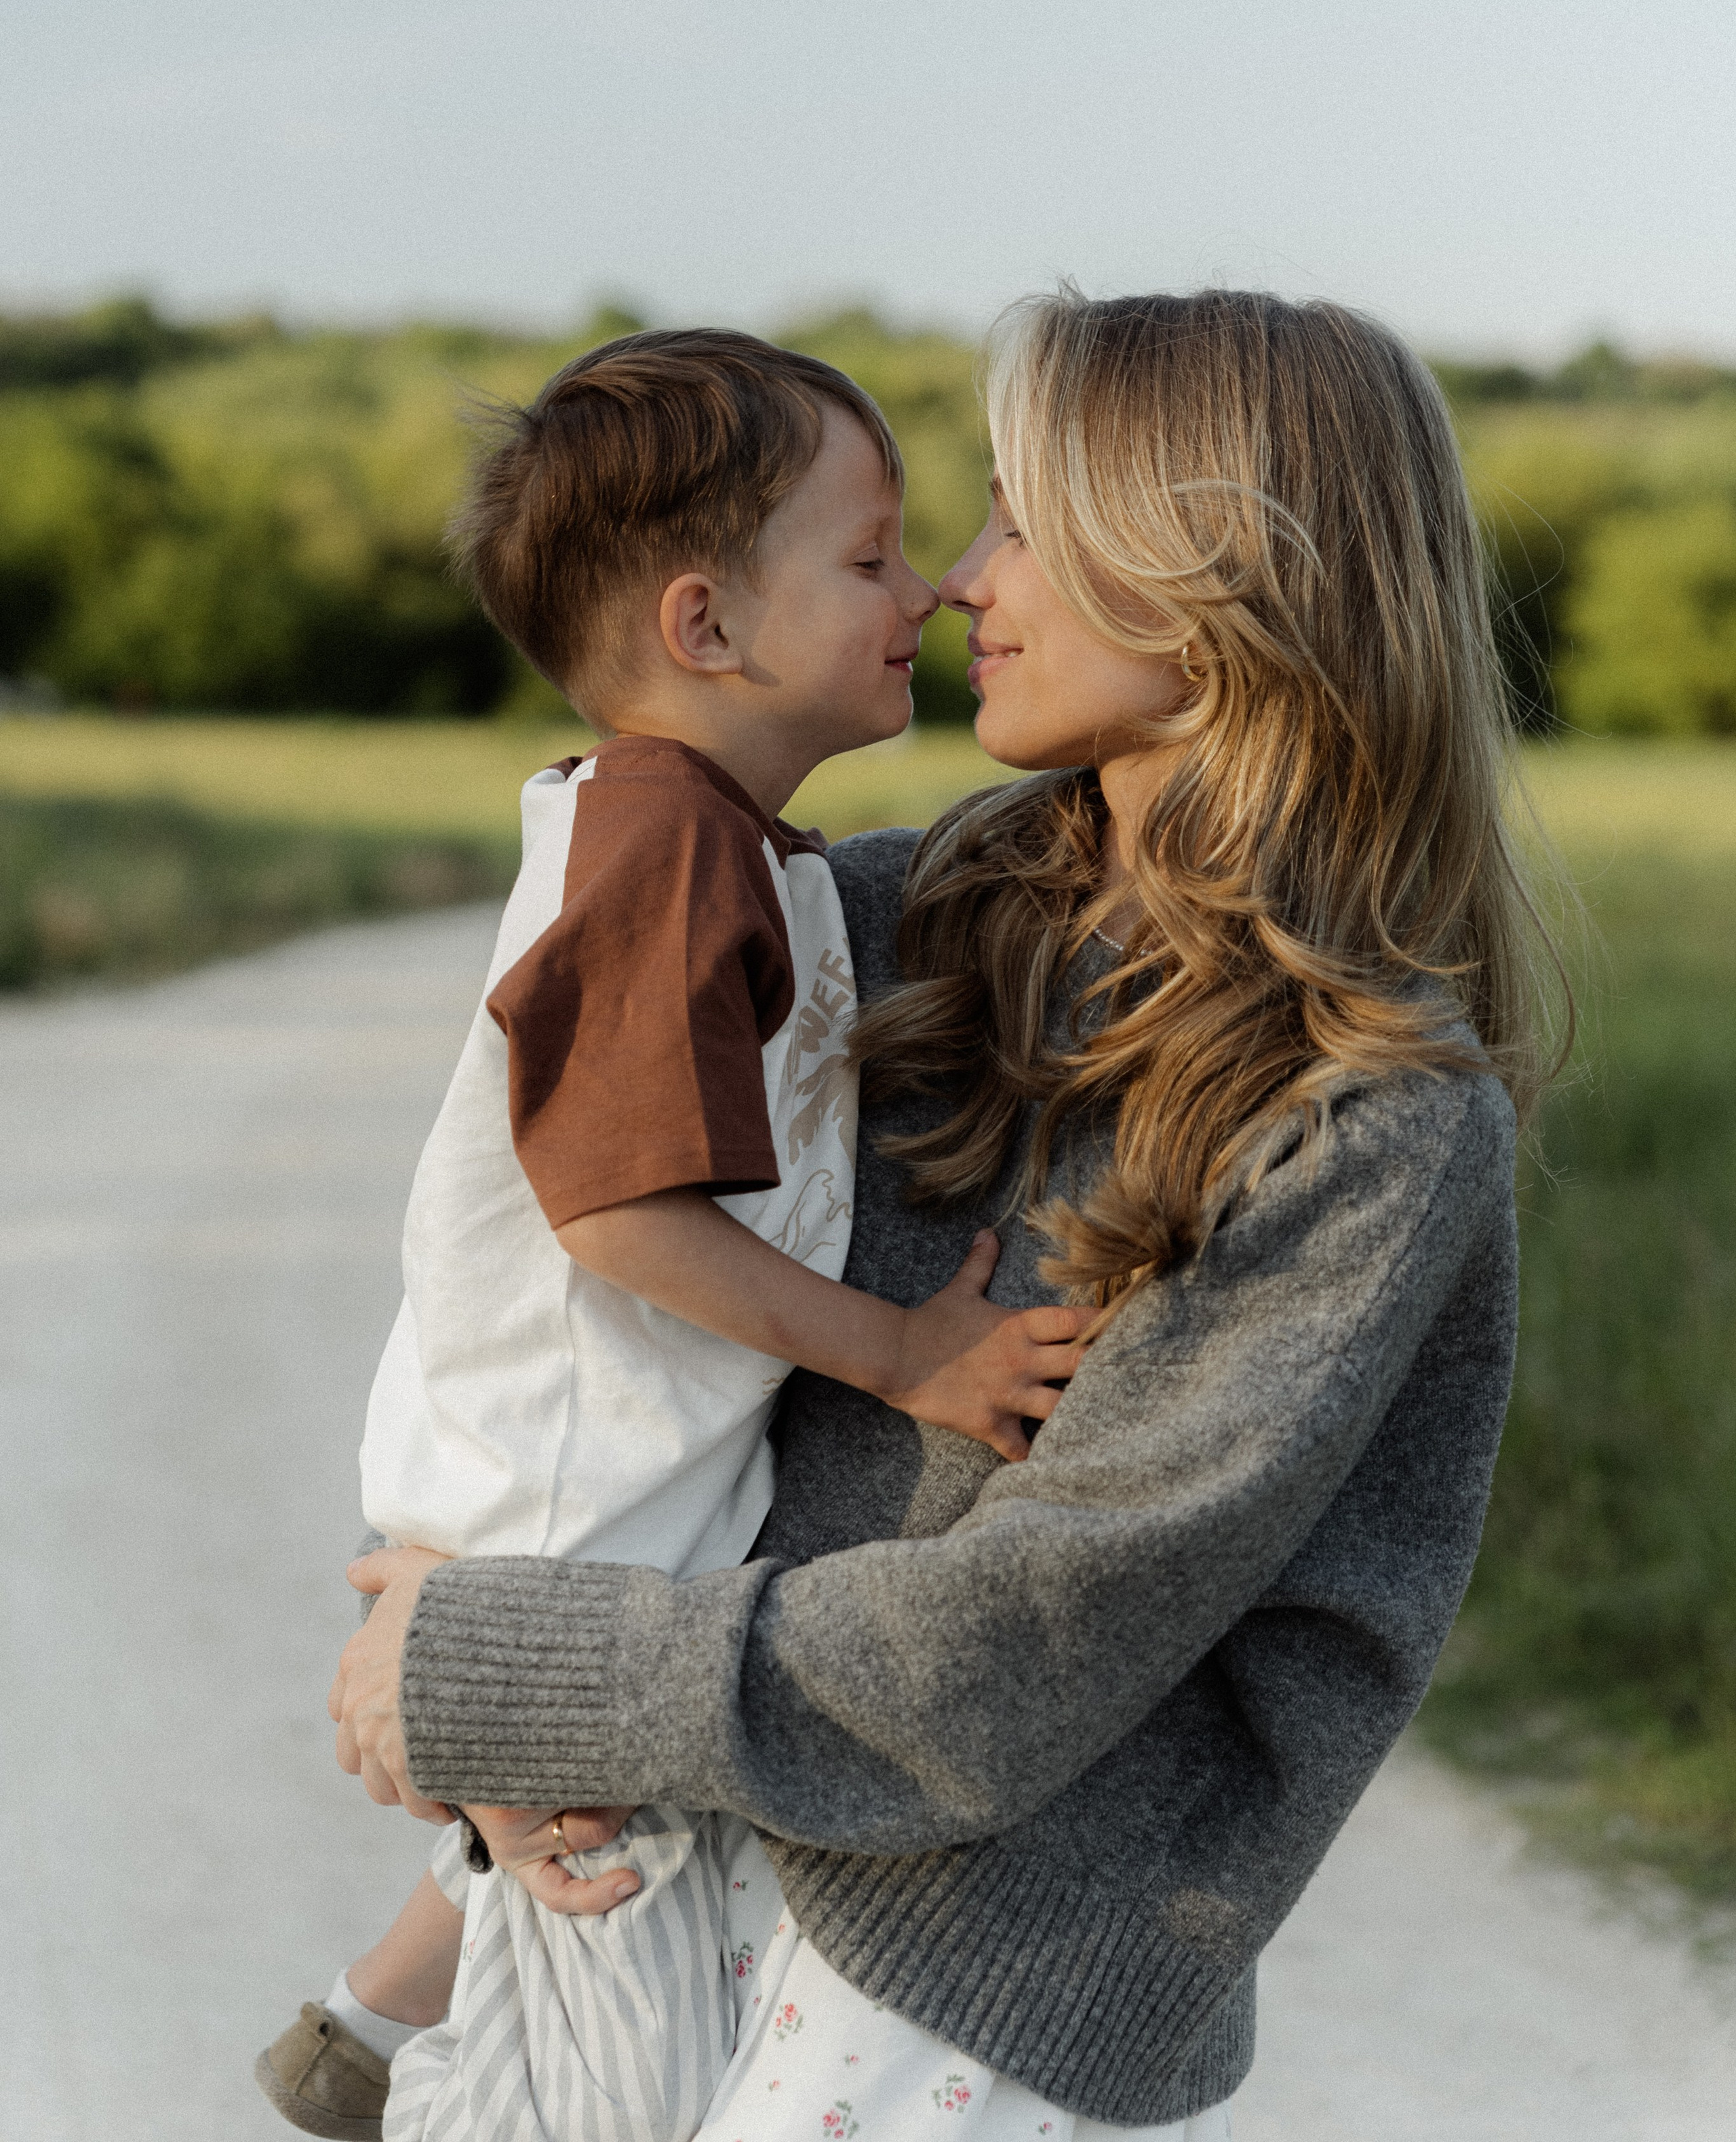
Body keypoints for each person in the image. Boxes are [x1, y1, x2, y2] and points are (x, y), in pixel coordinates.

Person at [329, 287, 1558, 2138]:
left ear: (1214, 566)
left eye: (1021, 519)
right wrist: (462, 1588)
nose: (969, 578)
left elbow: (1020, 1648)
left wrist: (517, 1668)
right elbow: (553, 1259)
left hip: (973, 1967)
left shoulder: (1366, 1112)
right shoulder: (887, 917)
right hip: (692, 1839)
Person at [256, 329, 1088, 2142]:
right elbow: (619, 1211)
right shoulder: (668, 861)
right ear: (707, 628)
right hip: (573, 1516)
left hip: (580, 1501)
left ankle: (379, 2012)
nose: (931, 591)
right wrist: (905, 1355)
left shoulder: (720, 842)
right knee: (611, 2044)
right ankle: (421, 2056)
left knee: (591, 1955)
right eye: (870, 559)